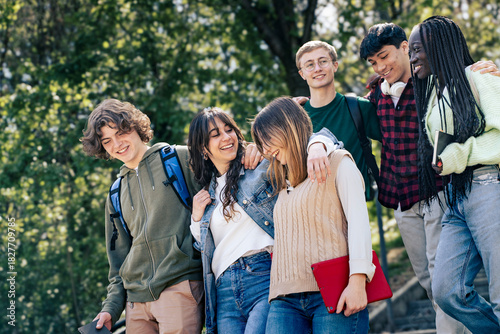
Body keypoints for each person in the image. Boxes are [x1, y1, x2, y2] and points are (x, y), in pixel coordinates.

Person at [187, 107, 339, 334]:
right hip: (224, 290)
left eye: (229, 130)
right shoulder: (206, 195)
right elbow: (205, 249)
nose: (227, 137)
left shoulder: (260, 167)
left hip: (264, 274)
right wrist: (196, 218)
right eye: (215, 134)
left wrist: (318, 146)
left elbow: (303, 139)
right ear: (203, 148)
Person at [252, 97, 375, 333]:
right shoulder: (279, 181)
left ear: (287, 127)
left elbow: (359, 224)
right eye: (260, 143)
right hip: (283, 297)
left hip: (333, 291)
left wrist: (358, 280)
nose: (265, 150)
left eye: (267, 139)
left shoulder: (338, 162)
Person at [80, 99, 204, 333]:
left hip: (179, 287)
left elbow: (229, 165)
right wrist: (111, 308)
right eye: (107, 141)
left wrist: (252, 148)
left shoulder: (180, 159)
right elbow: (118, 263)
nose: (117, 144)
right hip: (135, 304)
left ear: (136, 127)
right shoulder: (116, 193)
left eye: (121, 133)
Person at [409, 16, 500, 333]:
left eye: (417, 49)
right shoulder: (435, 95)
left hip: (488, 186)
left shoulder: (479, 78)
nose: (412, 57)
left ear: (438, 45)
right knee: (447, 291)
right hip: (455, 196)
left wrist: (457, 155)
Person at [295, 40, 382, 200]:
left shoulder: (358, 108)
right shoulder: (296, 118)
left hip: (354, 203)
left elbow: (395, 142)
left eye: (323, 61)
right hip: (314, 205)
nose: (318, 68)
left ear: (334, 65)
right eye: (309, 65)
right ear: (302, 74)